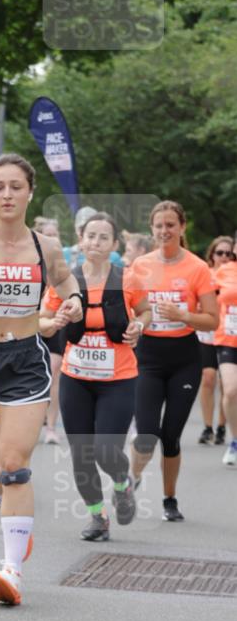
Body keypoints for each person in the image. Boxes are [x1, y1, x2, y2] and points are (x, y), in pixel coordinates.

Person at [0, 154, 82, 607]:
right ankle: (13, 519)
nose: (7, 195)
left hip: (25, 358)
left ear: (30, 191)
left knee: (14, 464)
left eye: (16, 187)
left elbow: (65, 281)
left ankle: (12, 570)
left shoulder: (45, 246)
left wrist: (74, 301)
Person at [41, 213, 151, 541]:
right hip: (76, 378)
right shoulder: (67, 281)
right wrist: (55, 321)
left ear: (114, 244)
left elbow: (146, 311)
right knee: (81, 454)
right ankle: (98, 517)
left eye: (104, 237)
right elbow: (43, 319)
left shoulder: (128, 279)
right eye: (90, 236)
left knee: (105, 449)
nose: (96, 243)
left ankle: (122, 483)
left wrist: (139, 325)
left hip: (118, 379)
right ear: (81, 239)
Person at [128, 201, 218, 521]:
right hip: (147, 358)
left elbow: (213, 320)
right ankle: (132, 479)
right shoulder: (140, 266)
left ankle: (169, 499)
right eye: (159, 226)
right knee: (146, 434)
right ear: (151, 229)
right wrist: (133, 323)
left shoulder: (197, 268)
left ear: (182, 227)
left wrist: (184, 315)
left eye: (170, 225)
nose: (164, 231)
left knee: (170, 436)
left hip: (184, 359)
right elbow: (129, 307)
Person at [197, 236, 232, 445]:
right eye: (220, 253)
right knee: (208, 377)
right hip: (207, 335)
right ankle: (207, 427)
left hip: (229, 335)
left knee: (226, 383)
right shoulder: (206, 274)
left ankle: (222, 426)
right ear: (212, 255)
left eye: (228, 253)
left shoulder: (234, 276)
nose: (224, 257)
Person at [34, 216, 64, 445]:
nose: (53, 239)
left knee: (54, 370)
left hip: (55, 322)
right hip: (29, 324)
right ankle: (33, 419)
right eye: (48, 235)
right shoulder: (28, 260)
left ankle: (51, 427)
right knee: (35, 375)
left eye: (56, 235)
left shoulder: (63, 264)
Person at [214, 236, 237, 467]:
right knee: (230, 390)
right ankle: (235, 440)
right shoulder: (223, 271)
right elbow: (206, 297)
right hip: (228, 339)